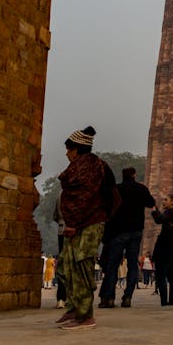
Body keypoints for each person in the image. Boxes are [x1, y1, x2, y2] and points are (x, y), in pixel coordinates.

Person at [56, 125, 118, 330]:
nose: (67, 154)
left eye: (68, 149)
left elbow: (84, 199)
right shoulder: (88, 165)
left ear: (76, 149)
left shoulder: (89, 167)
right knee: (66, 265)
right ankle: (74, 307)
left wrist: (73, 223)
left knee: (81, 266)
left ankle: (85, 316)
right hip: (80, 223)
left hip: (88, 223)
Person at [98, 166, 155, 308]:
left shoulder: (116, 189)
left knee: (113, 265)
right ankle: (127, 296)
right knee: (132, 265)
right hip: (135, 231)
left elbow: (107, 208)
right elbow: (151, 203)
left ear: (122, 176)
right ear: (134, 175)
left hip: (118, 232)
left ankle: (110, 298)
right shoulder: (141, 189)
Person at [151, 193, 173, 307]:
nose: (163, 201)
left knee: (161, 275)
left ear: (172, 202)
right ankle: (171, 302)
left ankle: (164, 302)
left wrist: (154, 210)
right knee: (171, 276)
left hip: (165, 248)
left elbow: (159, 220)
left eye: (166, 199)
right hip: (172, 248)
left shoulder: (170, 212)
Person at [53, 193, 67, 308]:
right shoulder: (80, 194)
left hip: (62, 231)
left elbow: (55, 216)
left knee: (63, 264)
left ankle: (61, 299)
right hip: (76, 233)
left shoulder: (60, 196)